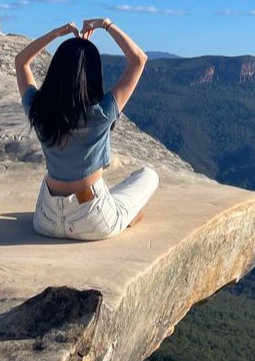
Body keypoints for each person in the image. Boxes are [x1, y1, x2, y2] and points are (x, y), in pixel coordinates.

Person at [14, 17, 158, 240]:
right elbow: (139, 59)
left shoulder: (38, 109)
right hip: (93, 219)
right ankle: (124, 216)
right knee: (148, 176)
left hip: (45, 220)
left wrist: (57, 33)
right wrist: (104, 24)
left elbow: (21, 61)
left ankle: (121, 212)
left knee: (114, 193)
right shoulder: (102, 112)